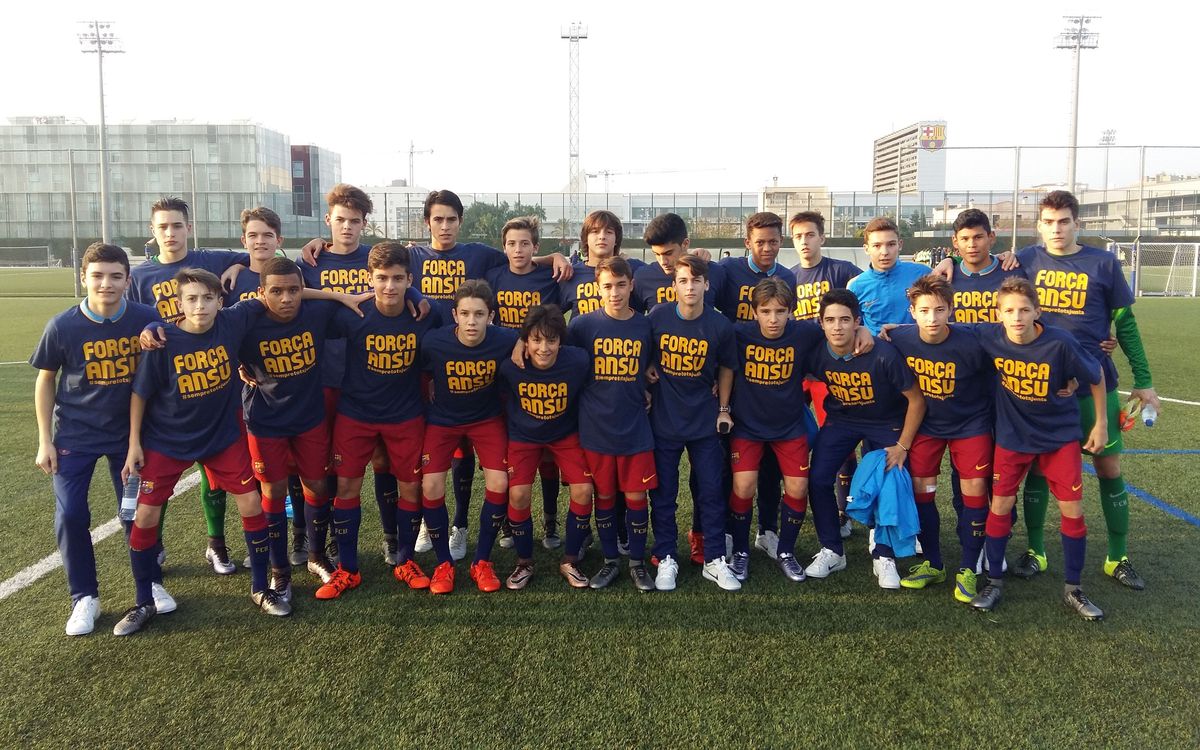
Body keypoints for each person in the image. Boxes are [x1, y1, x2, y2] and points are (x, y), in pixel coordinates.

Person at [114, 269, 362, 635]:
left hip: (222, 437)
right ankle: (143, 600)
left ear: (221, 301)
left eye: (207, 298)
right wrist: (134, 443)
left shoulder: (232, 321)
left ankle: (261, 588)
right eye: (192, 299)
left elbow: (284, 291)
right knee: (146, 515)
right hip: (169, 440)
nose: (200, 305)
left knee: (254, 502)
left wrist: (340, 296)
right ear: (178, 305)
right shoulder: (164, 342)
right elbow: (140, 393)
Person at [1009, 191, 1158, 590]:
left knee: (1108, 467)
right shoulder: (1024, 260)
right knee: (1039, 469)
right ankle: (1037, 551)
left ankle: (1117, 556)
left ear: (1077, 223)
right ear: (1038, 225)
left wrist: (1143, 380)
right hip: (1038, 387)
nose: (1057, 229)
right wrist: (952, 264)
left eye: (1064, 221)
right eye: (1049, 222)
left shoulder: (1104, 263)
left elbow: (1124, 324)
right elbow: (978, 266)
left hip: (1094, 382)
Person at [31, 242, 162, 635]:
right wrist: (44, 440)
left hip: (131, 436)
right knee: (71, 514)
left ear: (127, 280)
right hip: (75, 435)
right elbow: (45, 380)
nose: (106, 283)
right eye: (98, 276)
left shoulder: (146, 318)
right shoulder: (62, 325)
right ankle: (84, 597)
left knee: (137, 513)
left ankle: (151, 583)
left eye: (115, 276)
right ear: (84, 278)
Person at [967, 276, 1107, 620]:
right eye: (1009, 310)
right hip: (1012, 436)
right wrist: (891, 329)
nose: (1016, 317)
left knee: (1072, 509)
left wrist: (1100, 423)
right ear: (998, 313)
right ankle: (994, 581)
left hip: (1058, 438)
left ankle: (1074, 589)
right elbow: (940, 330)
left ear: (1037, 312)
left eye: (1024, 310)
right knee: (1000, 503)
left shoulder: (1060, 343)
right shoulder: (989, 335)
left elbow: (1096, 373)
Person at [128, 196, 250, 576]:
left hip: (211, 382)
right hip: (166, 387)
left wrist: (233, 267)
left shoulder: (207, 260)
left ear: (188, 228)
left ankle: (216, 544)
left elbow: (252, 253)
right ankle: (155, 549)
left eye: (177, 225)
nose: (170, 233)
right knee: (157, 478)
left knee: (215, 476)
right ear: (153, 232)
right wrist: (149, 330)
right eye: (162, 226)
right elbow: (135, 321)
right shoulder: (141, 276)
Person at [317, 243, 440, 599]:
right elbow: (298, 312)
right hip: (355, 415)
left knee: (410, 488)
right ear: (369, 279)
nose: (389, 286)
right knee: (345, 489)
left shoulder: (426, 312)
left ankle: (405, 560)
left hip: (406, 416)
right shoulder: (351, 313)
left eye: (398, 279)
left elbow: (469, 316)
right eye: (382, 278)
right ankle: (348, 569)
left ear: (410, 280)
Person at [804, 289, 925, 588]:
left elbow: (916, 400)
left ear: (857, 322)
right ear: (820, 323)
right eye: (830, 320)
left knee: (889, 477)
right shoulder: (817, 351)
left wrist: (902, 446)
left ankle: (883, 555)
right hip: (842, 420)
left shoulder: (882, 355)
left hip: (886, 421)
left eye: (845, 320)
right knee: (818, 478)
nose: (837, 327)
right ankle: (832, 549)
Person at [884, 275, 995, 601]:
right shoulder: (901, 337)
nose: (932, 318)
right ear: (912, 312)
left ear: (951, 310)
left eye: (939, 310)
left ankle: (969, 567)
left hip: (970, 426)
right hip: (928, 428)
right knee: (923, 493)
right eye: (924, 311)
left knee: (974, 492)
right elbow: (882, 336)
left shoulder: (972, 341)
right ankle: (933, 562)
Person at [237, 255, 339, 602]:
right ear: (261, 293)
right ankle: (279, 571)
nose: (286, 298)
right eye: (277, 291)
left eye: (294, 290)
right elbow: (207, 330)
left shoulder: (317, 314)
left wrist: (339, 296)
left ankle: (315, 555)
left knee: (317, 485)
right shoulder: (247, 320)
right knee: (274, 493)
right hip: (265, 423)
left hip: (309, 418)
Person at [726, 278, 828, 585]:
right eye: (766, 311)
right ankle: (741, 550)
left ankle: (786, 551)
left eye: (781, 311)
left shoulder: (804, 333)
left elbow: (837, 331)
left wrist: (863, 331)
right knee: (743, 487)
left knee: (797, 489)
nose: (773, 319)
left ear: (791, 312)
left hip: (789, 426)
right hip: (747, 426)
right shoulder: (738, 333)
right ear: (754, 311)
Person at [420, 279, 519, 594]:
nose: (472, 321)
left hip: (485, 420)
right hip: (443, 420)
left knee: (500, 483)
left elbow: (525, 345)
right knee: (431, 484)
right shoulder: (434, 342)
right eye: (465, 314)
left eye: (479, 314)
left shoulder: (506, 339)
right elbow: (422, 374)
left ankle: (482, 561)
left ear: (491, 316)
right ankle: (442, 564)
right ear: (455, 315)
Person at [646, 255, 737, 591]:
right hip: (665, 420)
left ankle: (714, 559)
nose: (689, 287)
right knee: (664, 493)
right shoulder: (657, 316)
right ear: (674, 286)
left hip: (704, 420)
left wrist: (724, 407)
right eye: (683, 281)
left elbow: (727, 367)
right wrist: (646, 367)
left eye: (695, 281)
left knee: (712, 492)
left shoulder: (720, 325)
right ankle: (666, 556)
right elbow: (643, 351)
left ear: (706, 284)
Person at [567, 257, 657, 591]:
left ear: (631, 285)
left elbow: (653, 367)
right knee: (604, 497)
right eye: (607, 286)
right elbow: (564, 364)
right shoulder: (582, 326)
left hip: (634, 426)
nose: (615, 292)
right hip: (595, 428)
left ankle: (636, 563)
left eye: (621, 285)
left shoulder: (645, 326)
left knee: (635, 497)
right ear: (597, 288)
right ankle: (609, 562)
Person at [714, 211, 798, 558]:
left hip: (774, 378)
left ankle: (767, 530)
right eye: (760, 242)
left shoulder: (788, 277)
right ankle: (731, 534)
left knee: (771, 467)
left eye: (773, 241)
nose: (767, 248)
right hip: (737, 375)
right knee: (732, 467)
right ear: (747, 242)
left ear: (782, 242)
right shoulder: (727, 270)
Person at [498, 305, 594, 589]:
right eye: (536, 340)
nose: (544, 348)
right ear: (525, 341)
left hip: (565, 434)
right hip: (524, 436)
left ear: (560, 342)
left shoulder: (577, 361)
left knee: (583, 489)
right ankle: (524, 563)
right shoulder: (511, 367)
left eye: (551, 340)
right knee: (517, 494)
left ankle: (570, 560)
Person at [486, 216, 565, 550]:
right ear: (503, 247)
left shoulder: (551, 277)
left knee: (547, 453)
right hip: (506, 372)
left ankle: (549, 521)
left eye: (525, 244)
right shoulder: (493, 276)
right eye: (511, 244)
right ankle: (507, 520)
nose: (518, 250)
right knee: (510, 450)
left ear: (536, 247)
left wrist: (556, 258)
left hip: (544, 369)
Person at [789, 210, 863, 538]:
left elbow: (870, 292)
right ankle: (792, 498)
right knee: (792, 437)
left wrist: (867, 331)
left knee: (839, 439)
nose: (804, 242)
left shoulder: (842, 270)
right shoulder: (788, 276)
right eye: (798, 236)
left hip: (829, 372)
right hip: (796, 369)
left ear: (822, 237)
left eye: (810, 235)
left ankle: (843, 510)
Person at [846, 216, 930, 335]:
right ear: (866, 249)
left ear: (900, 245)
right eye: (877, 246)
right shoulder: (855, 286)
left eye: (891, 244)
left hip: (917, 350)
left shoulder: (923, 274)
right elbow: (853, 327)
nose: (884, 252)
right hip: (878, 351)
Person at [632, 212, 723, 313]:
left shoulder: (713, 272)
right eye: (656, 254)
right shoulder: (643, 277)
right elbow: (635, 321)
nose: (663, 261)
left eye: (668, 253)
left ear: (685, 244)